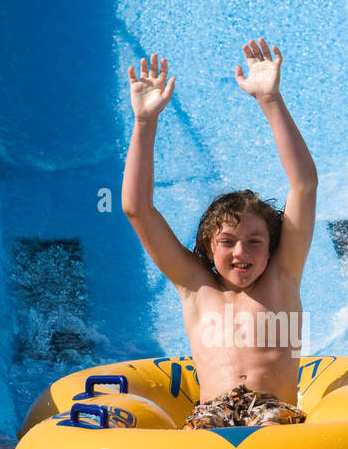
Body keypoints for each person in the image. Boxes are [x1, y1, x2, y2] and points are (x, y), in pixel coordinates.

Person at [121, 37, 318, 429]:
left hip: (272, 412)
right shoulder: (195, 286)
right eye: (227, 242)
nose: (240, 251)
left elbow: (304, 186)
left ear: (272, 247)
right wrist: (145, 122)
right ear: (209, 250)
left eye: (254, 242)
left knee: (271, 426)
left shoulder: (282, 276)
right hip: (211, 415)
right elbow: (136, 209)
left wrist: (270, 100)